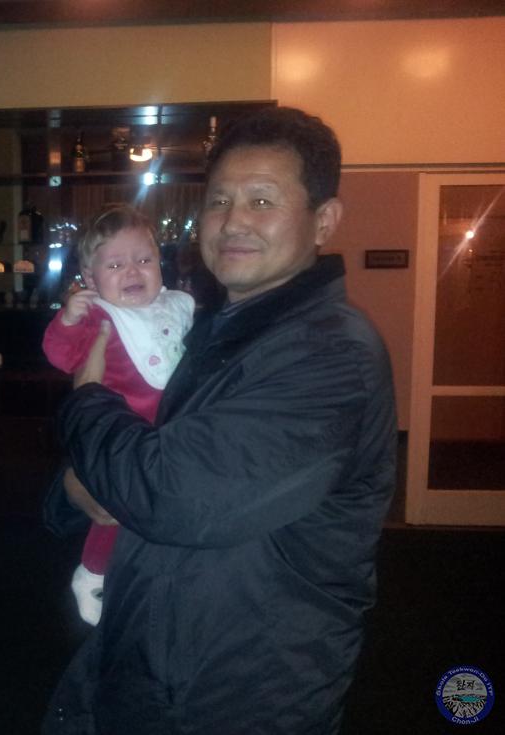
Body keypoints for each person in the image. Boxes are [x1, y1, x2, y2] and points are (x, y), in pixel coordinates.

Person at [42, 107, 396, 734]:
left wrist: (85, 401)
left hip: (236, 691)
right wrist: (73, 487)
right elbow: (132, 458)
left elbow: (173, 494)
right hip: (149, 654)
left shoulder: (331, 355)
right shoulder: (204, 329)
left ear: (324, 220)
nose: (233, 221)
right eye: (219, 201)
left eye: (262, 200)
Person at [42, 205, 194, 625]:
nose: (132, 271)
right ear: (91, 280)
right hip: (118, 437)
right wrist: (68, 320)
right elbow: (60, 356)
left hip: (169, 439)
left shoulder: (175, 307)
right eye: (115, 265)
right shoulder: (98, 316)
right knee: (112, 513)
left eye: (144, 260)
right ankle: (93, 574)